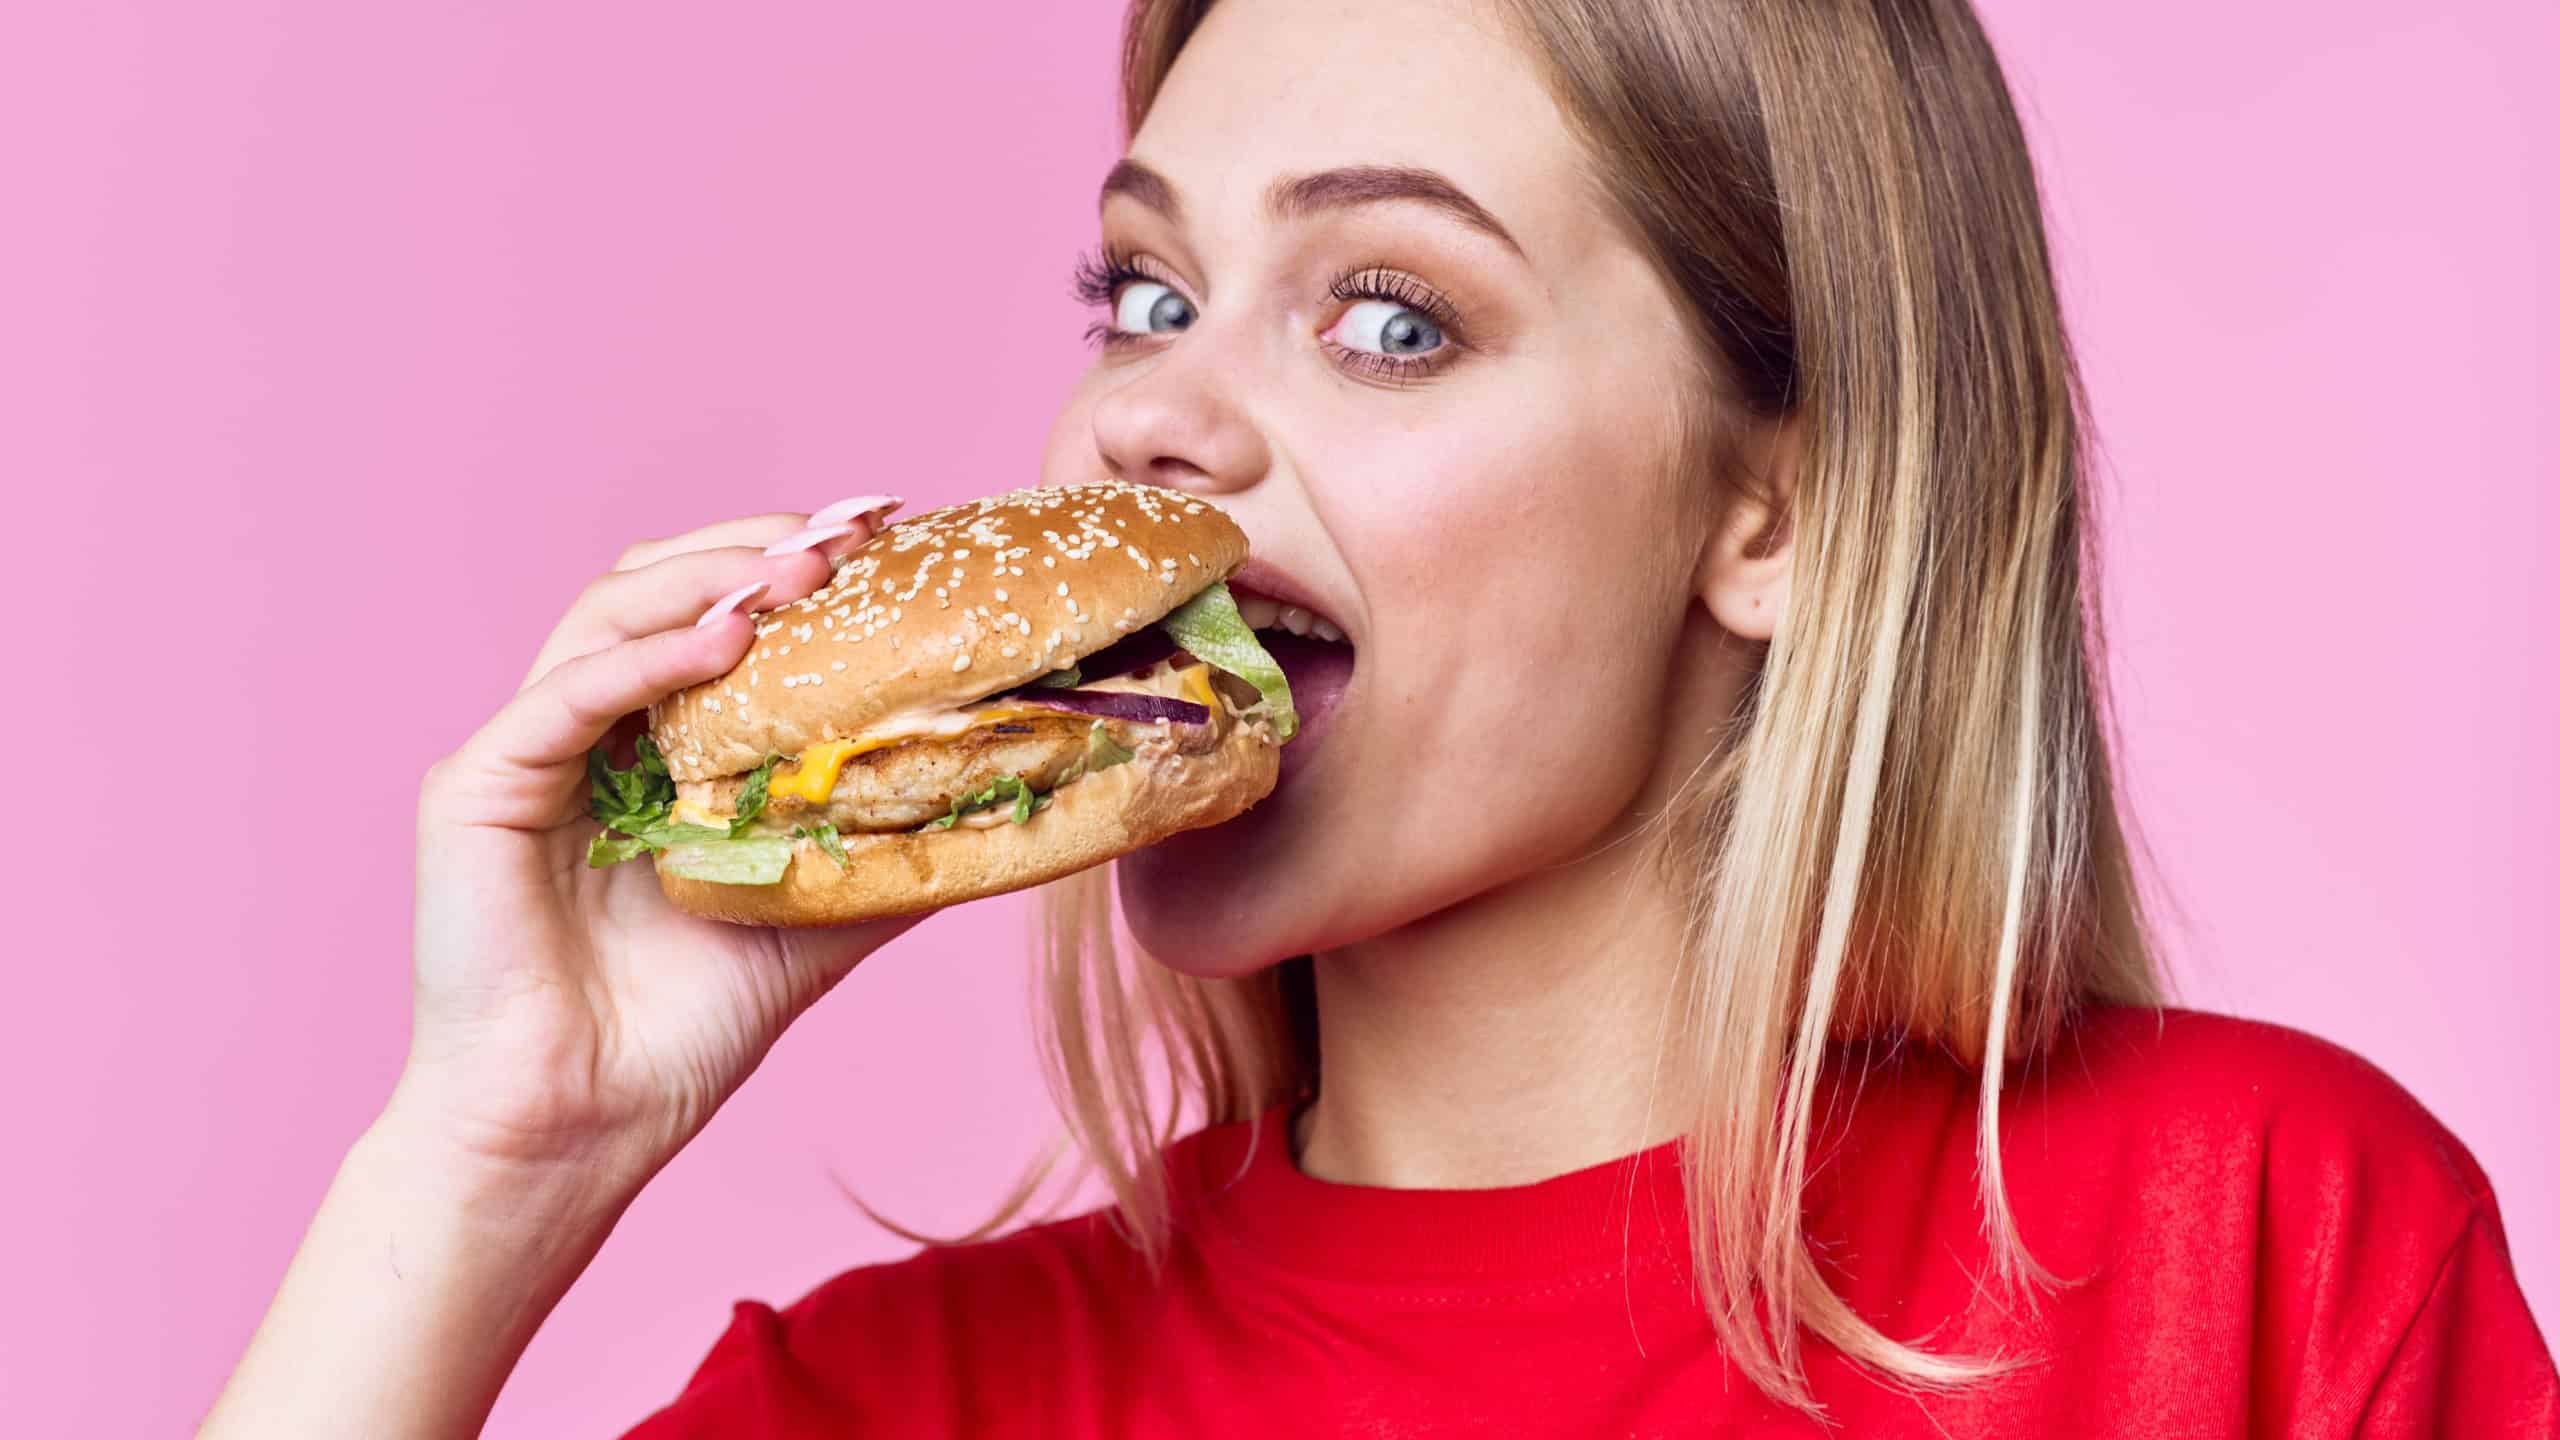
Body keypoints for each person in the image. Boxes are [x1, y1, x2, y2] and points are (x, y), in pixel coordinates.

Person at [202, 0, 2558, 1433]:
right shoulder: (895, 1404)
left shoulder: (2247, 1247)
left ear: (1782, 511)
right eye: (1142, 292)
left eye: (1389, 315)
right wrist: (487, 1164)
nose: (1153, 424)